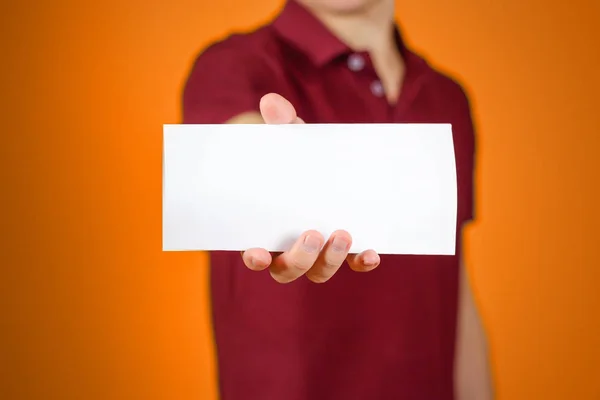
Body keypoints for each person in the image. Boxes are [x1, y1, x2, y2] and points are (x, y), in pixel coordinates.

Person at [182, 0, 494, 399]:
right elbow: (237, 143)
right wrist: (272, 160)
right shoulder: (235, 66)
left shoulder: (447, 98)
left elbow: (453, 284)